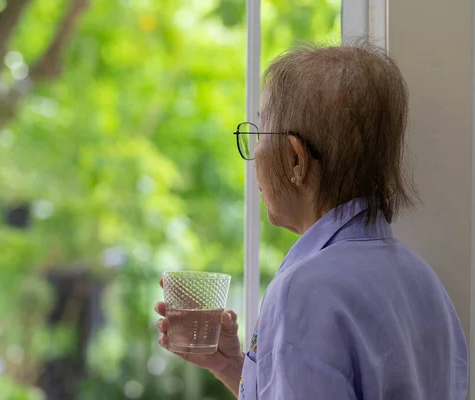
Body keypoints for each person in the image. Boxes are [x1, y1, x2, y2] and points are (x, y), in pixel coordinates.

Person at [154, 44, 469, 399]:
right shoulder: (423, 281)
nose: (253, 153)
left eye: (259, 132)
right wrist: (232, 367)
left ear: (295, 160)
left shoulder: (304, 292)